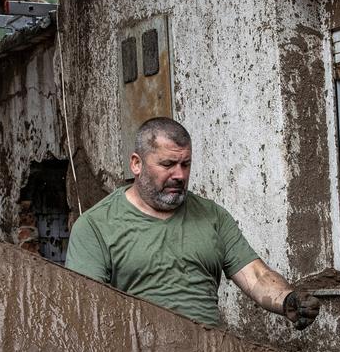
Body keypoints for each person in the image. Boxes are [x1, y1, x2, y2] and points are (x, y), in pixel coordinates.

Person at [65, 118, 320, 330]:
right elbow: (88, 311)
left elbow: (256, 276)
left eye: (185, 164)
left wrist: (286, 299)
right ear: (136, 164)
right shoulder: (95, 226)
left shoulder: (212, 216)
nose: (179, 175)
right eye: (167, 164)